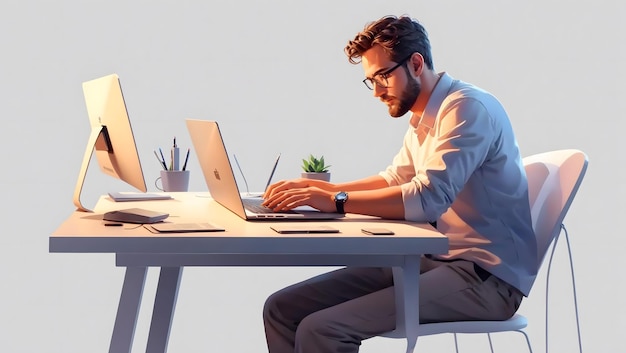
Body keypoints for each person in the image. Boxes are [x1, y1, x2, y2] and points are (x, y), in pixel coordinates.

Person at [261, 14, 537, 353]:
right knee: (281, 310)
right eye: (370, 80)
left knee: (323, 330)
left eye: (383, 76)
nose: (376, 91)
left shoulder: (467, 108)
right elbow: (396, 178)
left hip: (485, 279)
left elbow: (428, 199)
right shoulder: (425, 115)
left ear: (416, 63)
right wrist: (322, 192)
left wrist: (337, 202)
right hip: (431, 260)